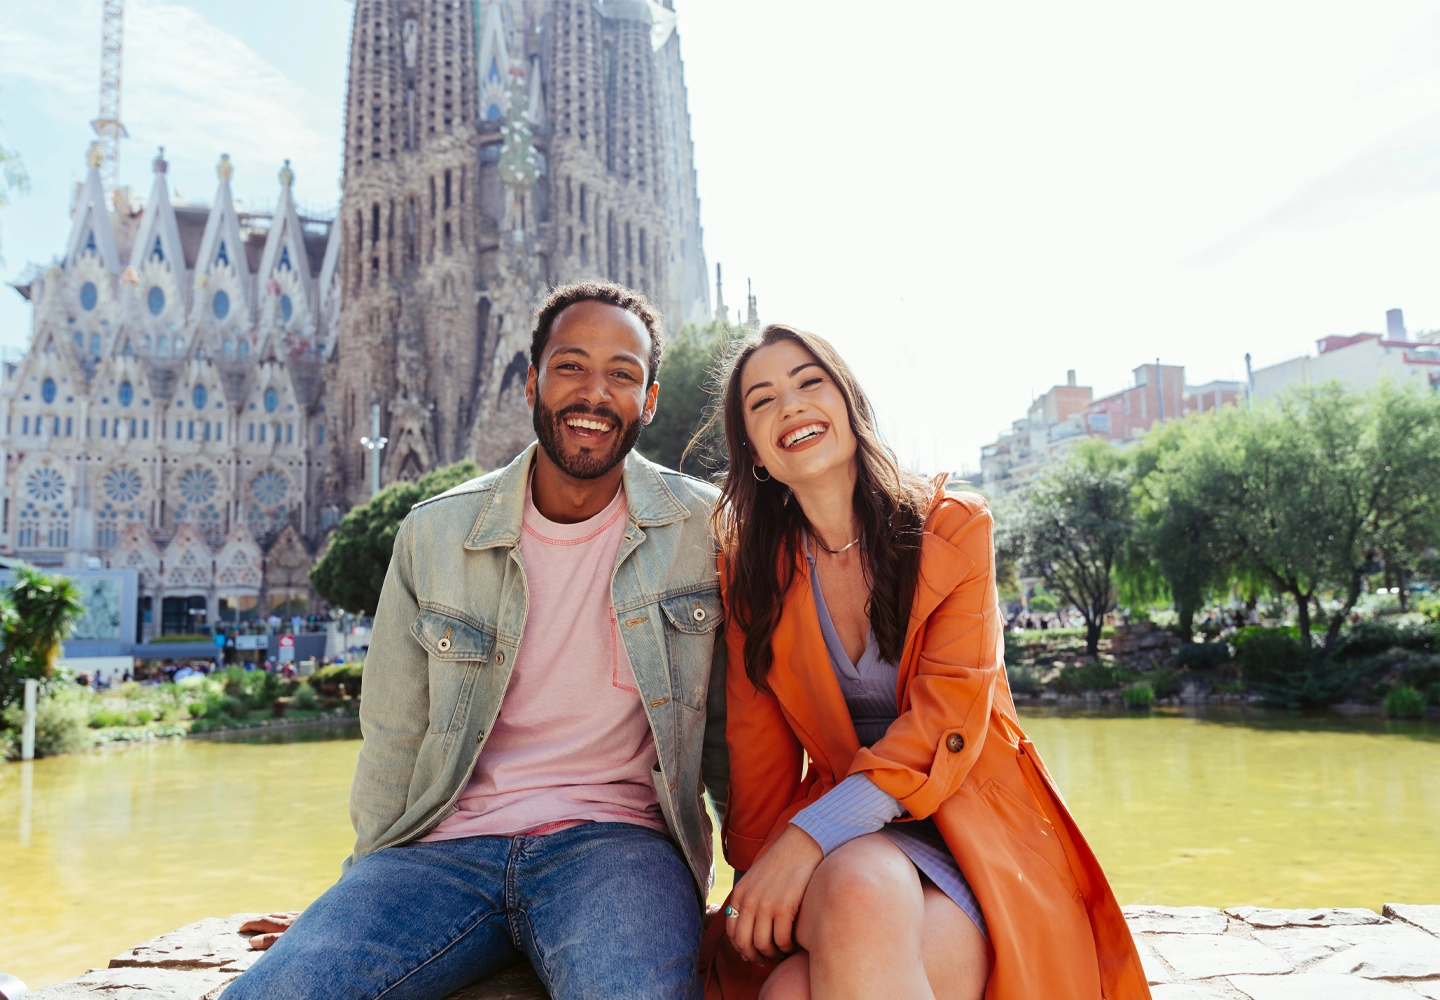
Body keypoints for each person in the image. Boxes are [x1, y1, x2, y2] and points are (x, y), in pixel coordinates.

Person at [225, 281, 728, 1000]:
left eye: (622, 373)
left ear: (649, 400)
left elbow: (733, 735)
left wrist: (760, 874)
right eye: (570, 366)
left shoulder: (702, 530)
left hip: (617, 847)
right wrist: (358, 891)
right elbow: (395, 733)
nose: (594, 392)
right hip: (441, 849)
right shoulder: (434, 531)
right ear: (530, 382)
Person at [702, 324, 1149, 1000]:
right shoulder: (752, 574)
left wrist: (805, 840)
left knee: (794, 992)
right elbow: (757, 755)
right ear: (755, 453)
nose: (789, 406)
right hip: (849, 848)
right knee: (837, 913)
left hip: (977, 837)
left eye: (809, 382)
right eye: (761, 402)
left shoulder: (953, 528)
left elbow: (946, 722)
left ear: (850, 404)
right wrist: (761, 878)